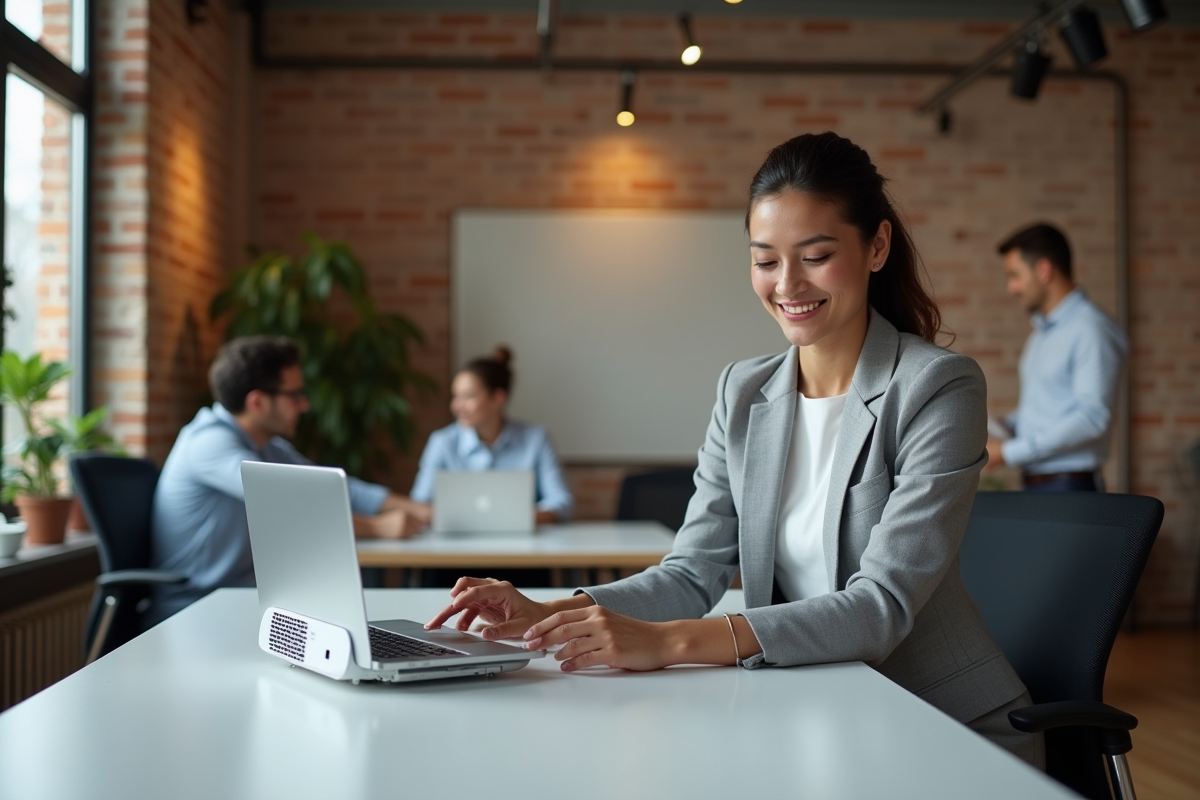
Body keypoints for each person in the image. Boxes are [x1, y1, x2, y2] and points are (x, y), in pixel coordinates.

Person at [425, 132, 1042, 767]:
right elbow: (692, 572)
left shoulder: (937, 386)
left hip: (941, 724)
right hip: (819, 708)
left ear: (877, 246)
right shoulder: (743, 391)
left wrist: (667, 643)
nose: (787, 284)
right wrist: (552, 615)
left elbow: (877, 608)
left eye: (816, 255)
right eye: (765, 260)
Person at [148, 336, 430, 624]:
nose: (304, 405)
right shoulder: (208, 444)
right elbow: (293, 507)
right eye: (295, 395)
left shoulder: (267, 446)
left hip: (240, 600)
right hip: (194, 610)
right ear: (257, 402)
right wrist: (377, 527)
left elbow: (330, 485)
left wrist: (421, 510)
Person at [986, 223, 1128, 492]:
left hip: (1069, 487)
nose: (1011, 288)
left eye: (1015, 275)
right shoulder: (1041, 335)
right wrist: (1006, 425)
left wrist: (1008, 452)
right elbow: (1048, 409)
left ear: (1043, 270)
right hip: (1037, 485)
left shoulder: (1091, 329)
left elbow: (1092, 417)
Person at [408, 346, 573, 524]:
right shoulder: (442, 442)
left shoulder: (536, 440)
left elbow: (561, 502)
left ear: (497, 398)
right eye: (456, 396)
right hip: (459, 538)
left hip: (520, 539)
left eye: (468, 396)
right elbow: (419, 503)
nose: (456, 406)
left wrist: (515, 519)